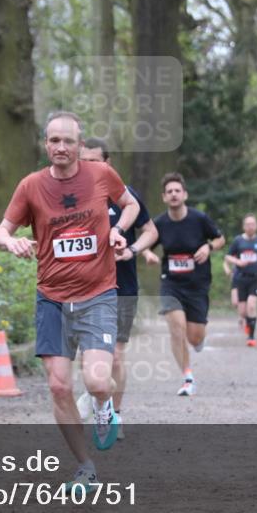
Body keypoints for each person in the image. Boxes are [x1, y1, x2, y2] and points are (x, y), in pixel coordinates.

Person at [0, 112, 140, 490]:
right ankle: (84, 467)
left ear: (79, 145)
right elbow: (1, 230)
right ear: (46, 144)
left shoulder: (101, 175)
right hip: (52, 299)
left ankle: (106, 409)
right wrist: (11, 242)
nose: (61, 147)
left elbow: (132, 206)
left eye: (68, 141)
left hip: (98, 295)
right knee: (59, 387)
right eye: (54, 140)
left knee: (95, 382)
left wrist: (118, 232)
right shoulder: (30, 186)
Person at [75, 138, 158, 439]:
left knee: (116, 356)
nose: (90, 167)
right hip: (86, 288)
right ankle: (98, 397)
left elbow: (151, 231)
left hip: (122, 287)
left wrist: (132, 249)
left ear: (108, 163)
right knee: (91, 358)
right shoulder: (74, 197)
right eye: (85, 161)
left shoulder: (125, 197)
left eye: (96, 161)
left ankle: (115, 415)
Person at [142, 173, 225, 396]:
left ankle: (198, 341)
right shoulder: (159, 223)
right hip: (171, 284)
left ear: (185, 194)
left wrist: (209, 247)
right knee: (176, 328)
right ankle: (187, 377)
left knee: (194, 336)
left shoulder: (199, 219)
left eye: (177, 190)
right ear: (164, 197)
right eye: (169, 191)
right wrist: (148, 253)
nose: (174, 194)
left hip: (197, 284)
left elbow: (220, 238)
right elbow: (144, 243)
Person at [224, 214, 257, 347]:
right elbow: (228, 257)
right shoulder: (238, 241)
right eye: (248, 224)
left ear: (256, 226)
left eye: (253, 224)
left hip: (255, 277)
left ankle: (251, 337)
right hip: (241, 278)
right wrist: (238, 261)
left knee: (252, 306)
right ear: (244, 226)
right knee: (242, 311)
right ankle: (247, 323)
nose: (250, 227)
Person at [223, 257, 247, 334]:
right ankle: (243, 316)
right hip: (235, 278)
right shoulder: (235, 250)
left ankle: (243, 319)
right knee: (235, 302)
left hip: (246, 279)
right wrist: (227, 270)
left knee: (243, 301)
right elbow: (225, 261)